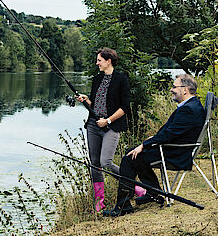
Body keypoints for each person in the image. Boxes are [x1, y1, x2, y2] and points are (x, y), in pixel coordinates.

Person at [102, 74, 206, 217]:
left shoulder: (188, 109)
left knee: (130, 158)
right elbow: (172, 131)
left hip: (176, 153)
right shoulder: (192, 105)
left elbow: (169, 134)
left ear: (185, 90)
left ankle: (123, 206)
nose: (171, 89)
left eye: (174, 87)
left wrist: (145, 145)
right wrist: (151, 141)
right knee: (132, 152)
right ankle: (153, 193)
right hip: (175, 148)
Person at [77, 48, 142, 212]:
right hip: (93, 125)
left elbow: (125, 107)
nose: (97, 63)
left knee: (106, 162)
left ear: (108, 61)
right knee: (95, 164)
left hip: (112, 126)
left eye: (99, 60)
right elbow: (95, 103)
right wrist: (86, 100)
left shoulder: (121, 79)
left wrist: (108, 120)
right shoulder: (97, 79)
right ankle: (99, 202)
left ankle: (136, 188)